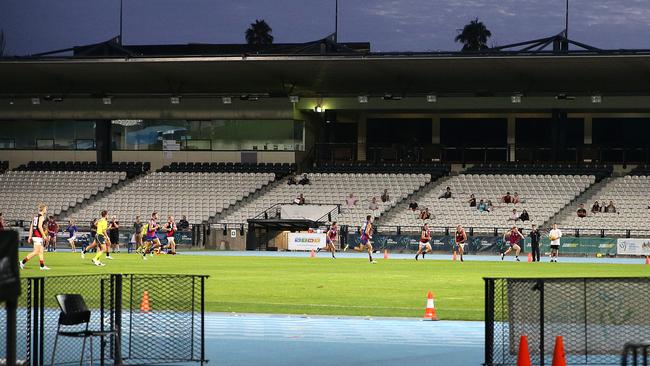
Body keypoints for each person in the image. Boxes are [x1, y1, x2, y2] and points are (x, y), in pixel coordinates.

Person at [19, 204, 50, 270]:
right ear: (43, 209)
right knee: (36, 252)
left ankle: (42, 266)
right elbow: (39, 226)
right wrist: (44, 236)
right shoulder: (41, 217)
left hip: (35, 236)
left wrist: (30, 236)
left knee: (41, 251)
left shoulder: (35, 217)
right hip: (38, 237)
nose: (46, 210)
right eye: (46, 209)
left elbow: (31, 227)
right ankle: (22, 262)